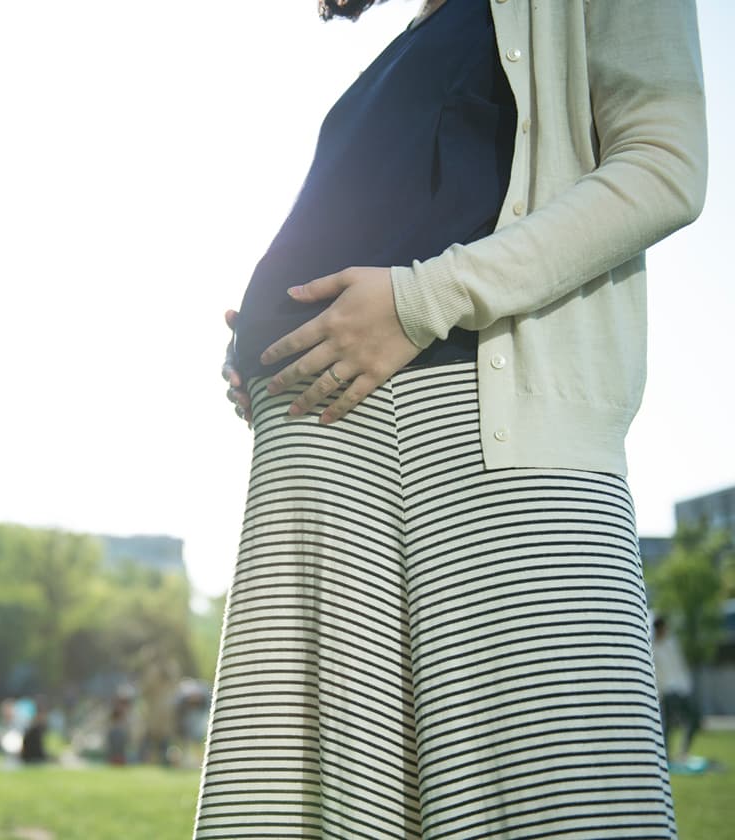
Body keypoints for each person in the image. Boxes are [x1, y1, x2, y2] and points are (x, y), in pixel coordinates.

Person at [196, 0, 707, 837]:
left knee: (547, 801)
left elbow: (664, 166)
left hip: (469, 452)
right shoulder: (425, 29)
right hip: (321, 463)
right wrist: (266, 346)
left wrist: (419, 299)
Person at [653, 616, 702, 765]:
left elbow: (679, 666)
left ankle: (683, 752)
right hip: (666, 692)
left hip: (681, 689)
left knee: (694, 719)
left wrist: (686, 686)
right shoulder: (653, 647)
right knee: (667, 725)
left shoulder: (672, 643)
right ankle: (666, 755)